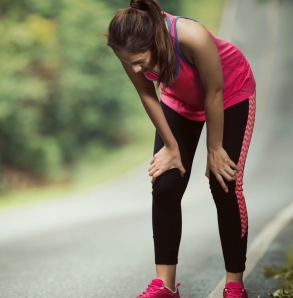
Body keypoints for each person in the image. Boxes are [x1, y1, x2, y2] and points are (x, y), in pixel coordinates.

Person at [105, 0, 256, 297]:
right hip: (179, 101)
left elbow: (213, 92)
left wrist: (214, 148)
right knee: (165, 183)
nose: (135, 68)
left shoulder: (192, 36)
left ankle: (234, 284)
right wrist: (171, 147)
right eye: (128, 62)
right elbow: (148, 95)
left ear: (155, 42)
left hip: (230, 94)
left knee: (223, 181)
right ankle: (164, 285)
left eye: (140, 61)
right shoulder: (128, 49)